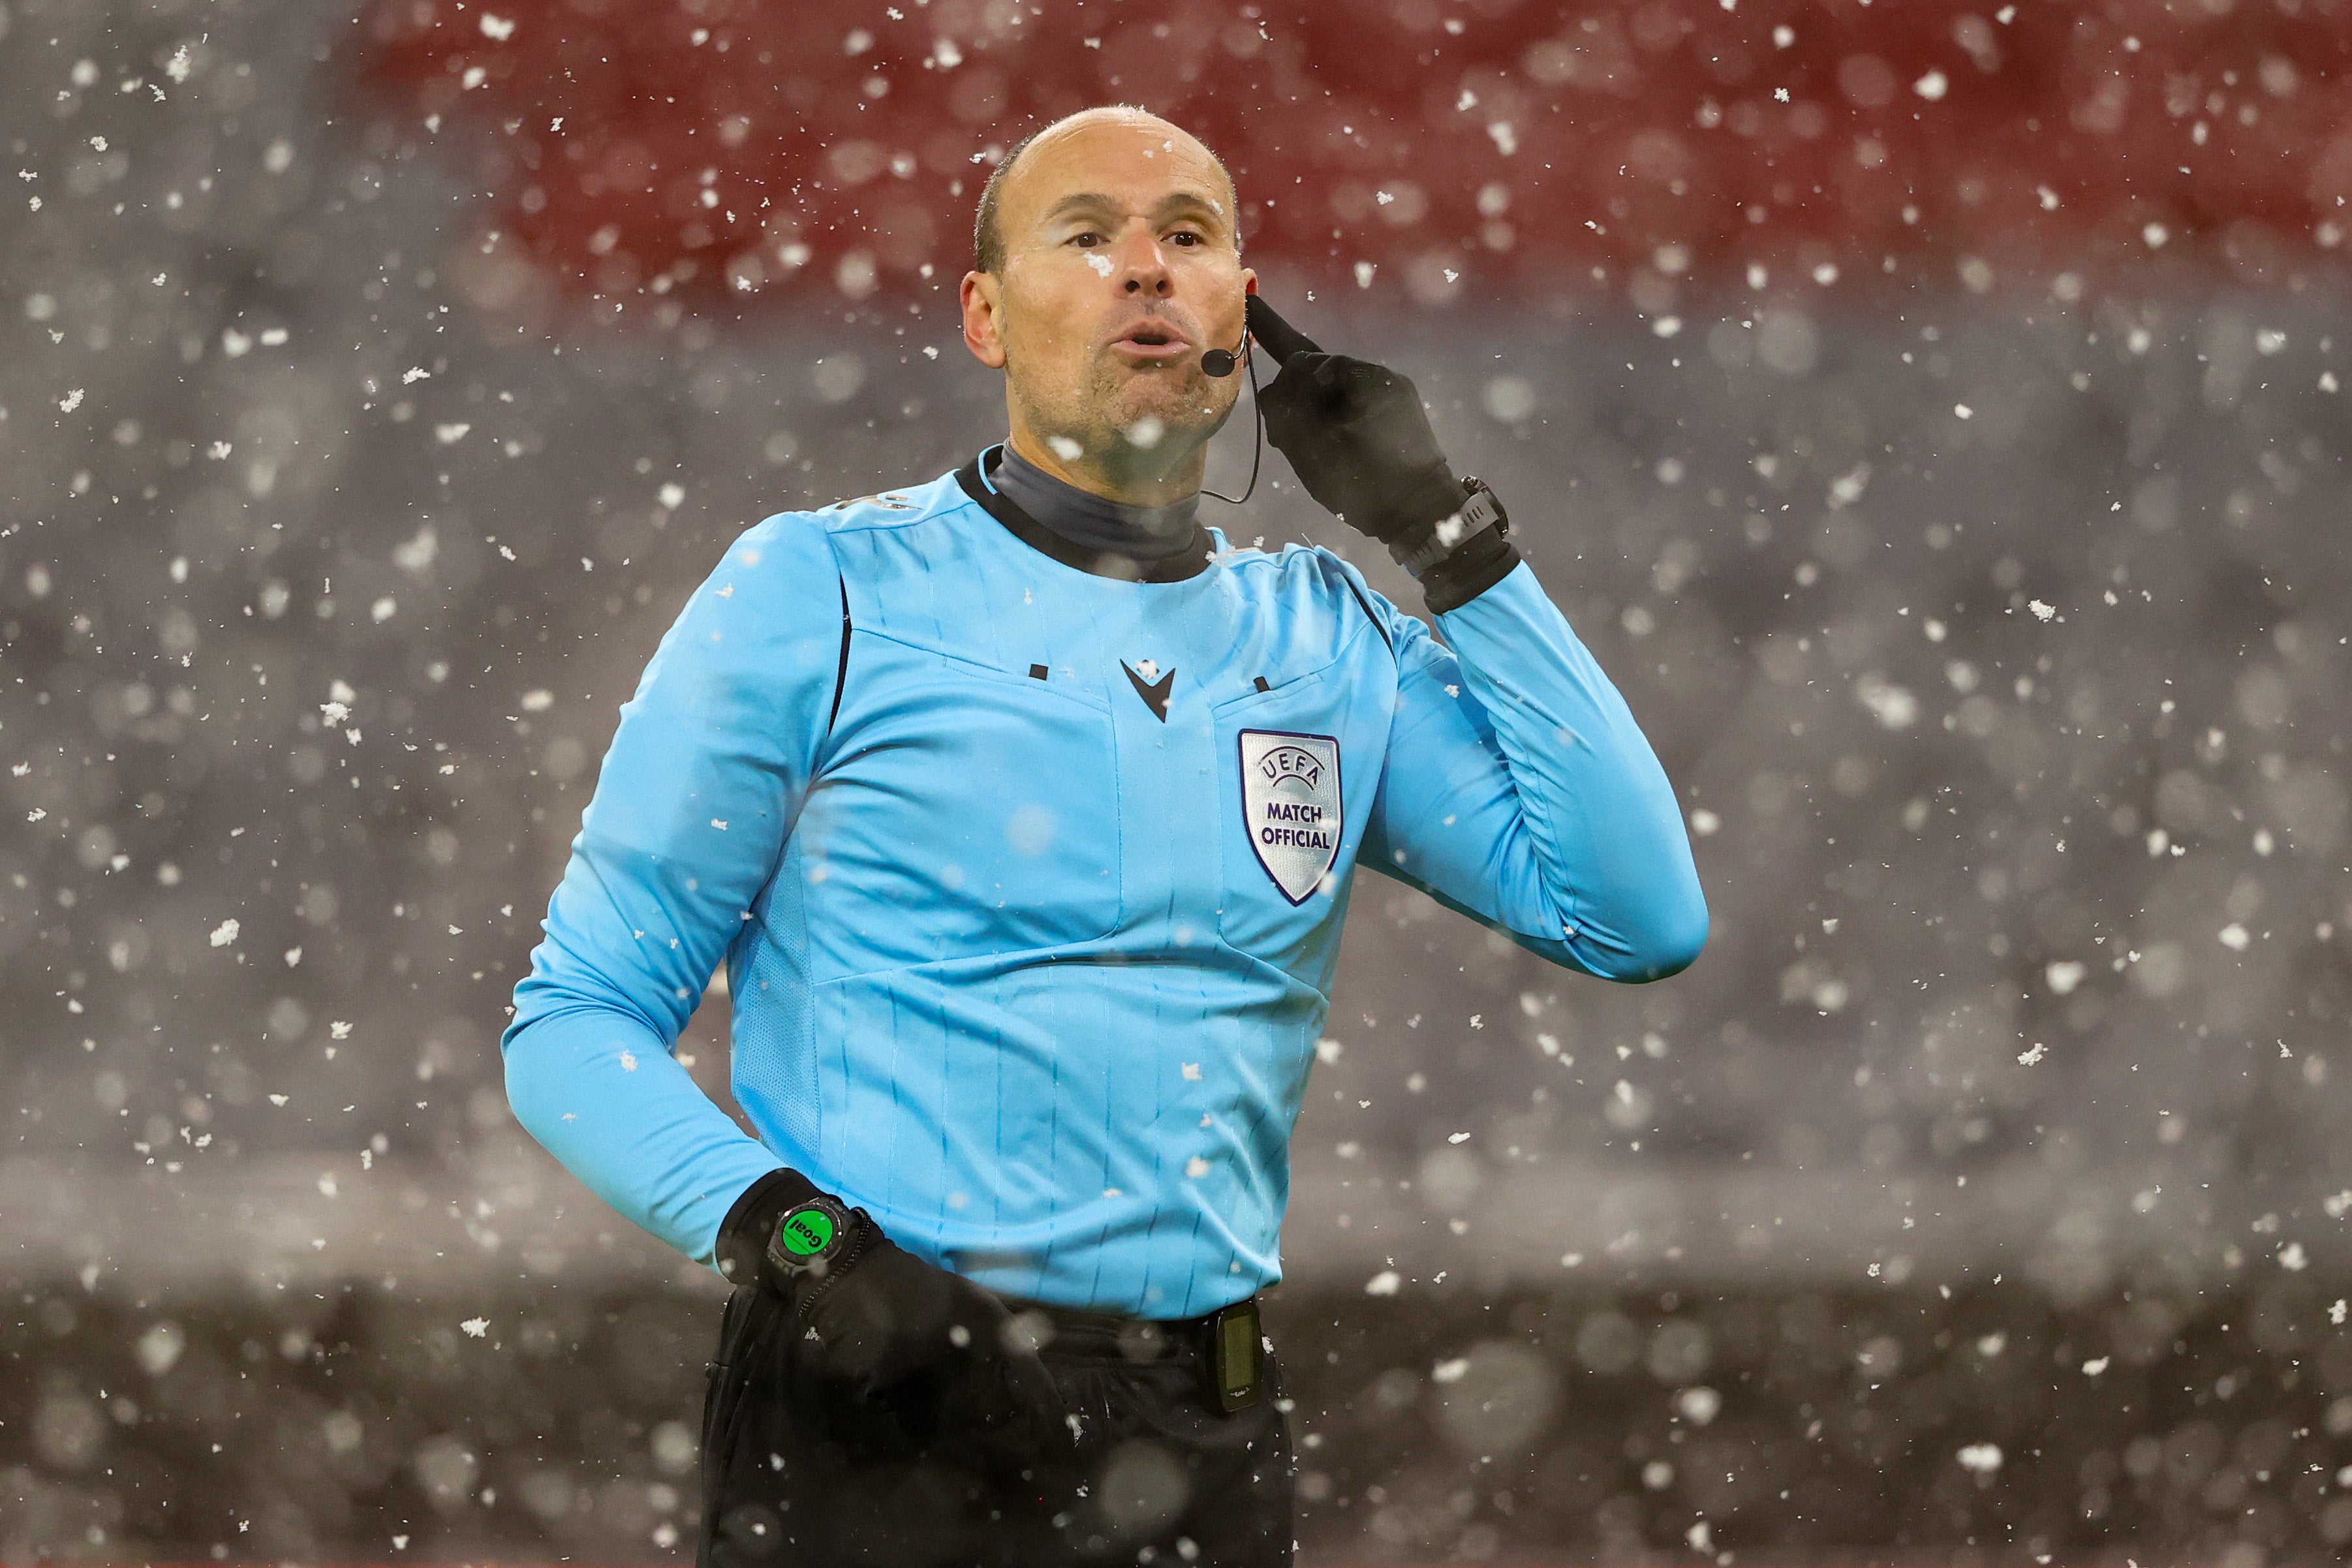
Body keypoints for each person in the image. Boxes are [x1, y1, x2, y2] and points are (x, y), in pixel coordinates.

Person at [501, 104, 1708, 1567]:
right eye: (1086, 235)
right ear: (986, 317)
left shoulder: (1325, 641)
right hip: (875, 1416)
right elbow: (572, 1020)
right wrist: (806, 1245)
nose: (1146, 265)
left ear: (1244, 315)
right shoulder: (816, 591)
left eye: (1188, 236)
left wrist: (1447, 533)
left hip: (1197, 1433)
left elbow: (1634, 915)